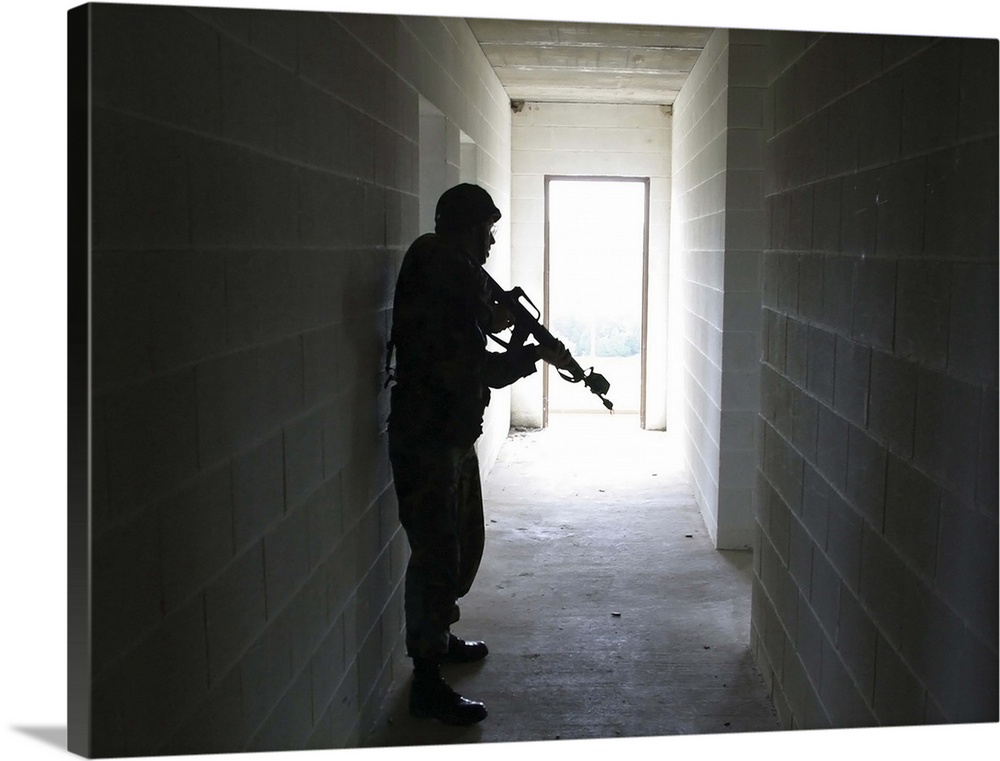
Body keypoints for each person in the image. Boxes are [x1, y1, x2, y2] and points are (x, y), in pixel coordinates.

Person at [386, 183, 573, 725]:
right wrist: (530, 352)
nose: (491, 241)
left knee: (463, 544)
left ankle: (439, 636)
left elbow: (481, 321)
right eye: (486, 230)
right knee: (438, 555)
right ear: (465, 229)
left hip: (450, 434)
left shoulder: (448, 269)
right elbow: (477, 365)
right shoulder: (442, 265)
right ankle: (426, 679)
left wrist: (513, 322)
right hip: (429, 439)